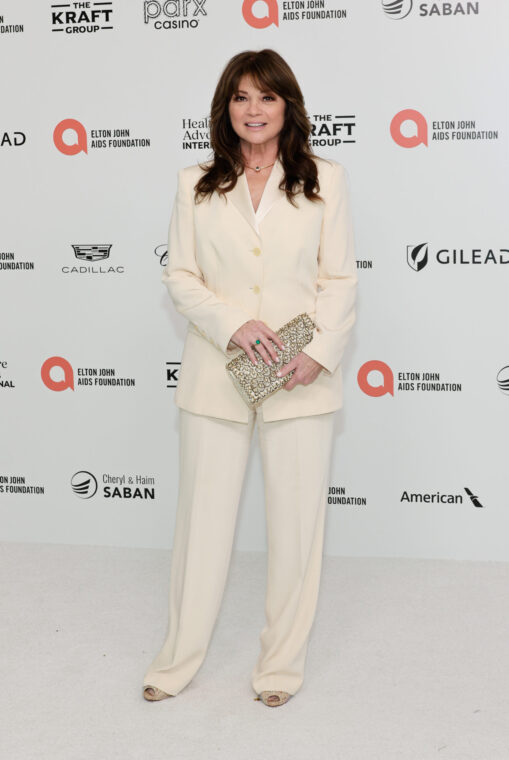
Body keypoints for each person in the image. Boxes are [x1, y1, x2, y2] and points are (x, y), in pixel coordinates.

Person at [143, 48, 357, 708]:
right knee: (201, 527)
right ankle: (177, 662)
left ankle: (279, 670)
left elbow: (339, 279)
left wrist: (317, 354)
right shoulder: (194, 183)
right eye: (240, 97)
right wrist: (233, 323)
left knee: (295, 531)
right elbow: (179, 275)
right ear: (225, 108)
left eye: (266, 97)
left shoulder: (324, 178)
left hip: (300, 378)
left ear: (286, 105)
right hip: (217, 375)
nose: (253, 109)